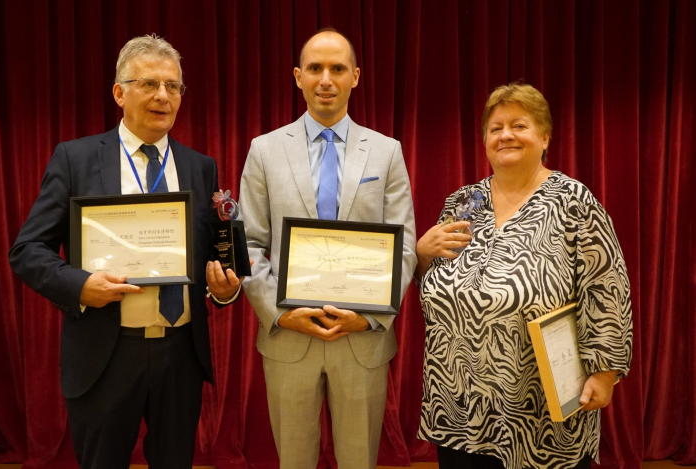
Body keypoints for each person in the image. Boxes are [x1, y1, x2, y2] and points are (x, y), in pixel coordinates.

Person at [8, 35, 242, 469]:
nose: (163, 96)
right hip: (106, 354)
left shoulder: (200, 166)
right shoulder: (75, 159)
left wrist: (225, 290)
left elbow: (213, 256)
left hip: (180, 355)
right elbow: (27, 250)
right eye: (149, 83)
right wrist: (80, 286)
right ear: (119, 92)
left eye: (173, 86)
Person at [415, 82, 633, 469]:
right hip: (458, 404)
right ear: (485, 140)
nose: (506, 136)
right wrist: (421, 254)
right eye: (495, 128)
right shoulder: (464, 201)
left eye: (519, 125)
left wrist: (604, 372)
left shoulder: (573, 202)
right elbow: (435, 284)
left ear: (545, 137)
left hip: (537, 407)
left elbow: (607, 288)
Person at [238, 28, 417, 469]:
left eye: (337, 69)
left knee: (359, 461)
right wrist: (281, 314)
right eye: (315, 68)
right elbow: (250, 244)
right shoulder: (264, 150)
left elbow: (404, 247)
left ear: (355, 76)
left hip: (361, 339)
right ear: (298, 76)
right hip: (289, 337)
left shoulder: (387, 152)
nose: (325, 80)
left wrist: (369, 317)